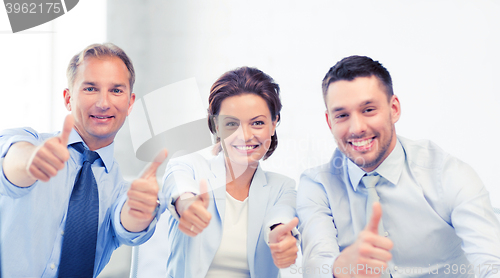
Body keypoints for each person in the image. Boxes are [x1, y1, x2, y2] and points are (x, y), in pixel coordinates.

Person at [297, 55, 500, 278]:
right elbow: (316, 265)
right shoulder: (317, 186)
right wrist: (338, 268)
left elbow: (491, 263)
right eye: (342, 115)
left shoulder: (447, 175)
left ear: (393, 109)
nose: (356, 128)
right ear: (330, 122)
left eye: (368, 110)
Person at [0, 43, 165, 278]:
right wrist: (30, 160)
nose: (103, 103)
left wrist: (140, 212)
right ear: (68, 98)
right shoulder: (29, 142)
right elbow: (11, 160)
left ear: (130, 103)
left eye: (116, 91)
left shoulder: (120, 191)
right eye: (90, 89)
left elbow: (126, 223)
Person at [157, 66, 299, 278]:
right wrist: (188, 205)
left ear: (274, 123)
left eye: (258, 123)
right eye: (231, 124)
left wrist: (281, 238)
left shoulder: (283, 187)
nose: (245, 135)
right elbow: (179, 189)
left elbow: (280, 219)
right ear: (216, 125)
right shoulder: (187, 165)